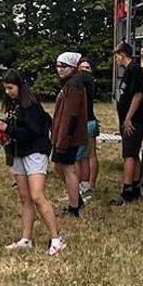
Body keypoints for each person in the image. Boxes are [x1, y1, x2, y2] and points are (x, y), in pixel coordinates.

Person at [1, 69, 65, 255]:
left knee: (37, 196)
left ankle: (56, 238)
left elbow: (33, 132)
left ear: (20, 86)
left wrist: (9, 130)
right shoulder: (13, 104)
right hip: (19, 152)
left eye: (10, 88)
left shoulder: (31, 105)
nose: (7, 92)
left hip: (35, 152)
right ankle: (26, 238)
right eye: (5, 88)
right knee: (25, 197)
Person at [50, 51, 92, 218]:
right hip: (63, 134)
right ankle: (76, 199)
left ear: (73, 67)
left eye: (64, 66)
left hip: (68, 136)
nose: (60, 69)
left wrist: (63, 138)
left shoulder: (74, 85)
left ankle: (74, 208)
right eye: (58, 66)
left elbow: (70, 115)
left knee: (68, 169)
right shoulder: (68, 84)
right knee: (59, 167)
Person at [113, 43, 143, 204]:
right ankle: (135, 187)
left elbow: (138, 95)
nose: (116, 59)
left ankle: (127, 191)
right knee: (133, 153)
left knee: (128, 155)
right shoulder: (129, 71)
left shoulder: (134, 70)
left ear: (123, 54)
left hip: (134, 121)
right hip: (131, 119)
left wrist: (128, 118)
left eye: (117, 55)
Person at [77, 58, 102, 202]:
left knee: (85, 156)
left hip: (86, 122)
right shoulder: (90, 83)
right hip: (90, 122)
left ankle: (88, 186)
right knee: (88, 156)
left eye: (87, 67)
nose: (85, 69)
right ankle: (86, 186)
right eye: (83, 67)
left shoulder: (84, 83)